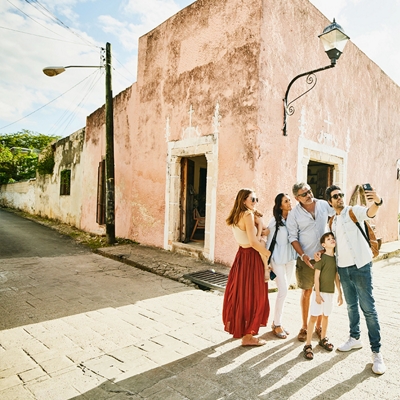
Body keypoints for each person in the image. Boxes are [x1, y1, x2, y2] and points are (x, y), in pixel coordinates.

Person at [324, 184, 386, 374]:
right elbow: (332, 245)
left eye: (341, 194)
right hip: (343, 269)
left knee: (368, 309)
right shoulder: (332, 222)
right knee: (351, 306)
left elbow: (369, 212)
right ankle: (355, 338)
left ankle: (377, 352)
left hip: (361, 266)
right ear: (330, 202)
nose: (340, 198)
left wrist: (377, 202)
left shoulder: (353, 211)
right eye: (336, 196)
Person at [286, 182, 335, 342]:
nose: (309, 195)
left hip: (325, 258)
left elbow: (336, 212)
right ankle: (305, 326)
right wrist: (303, 255)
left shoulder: (322, 204)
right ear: (297, 198)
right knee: (307, 292)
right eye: (304, 194)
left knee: (323, 292)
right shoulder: (294, 214)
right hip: (306, 259)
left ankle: (319, 326)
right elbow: (292, 237)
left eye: (309, 191)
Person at [223, 189, 271, 346]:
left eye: (257, 199)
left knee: (242, 295)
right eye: (252, 199)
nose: (255, 202)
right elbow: (253, 242)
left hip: (241, 256)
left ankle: (243, 329)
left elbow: (255, 236)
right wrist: (267, 253)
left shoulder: (236, 214)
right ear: (244, 200)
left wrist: (259, 225)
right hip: (252, 256)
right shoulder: (247, 215)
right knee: (258, 296)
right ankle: (249, 336)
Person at [303, 232, 343, 360]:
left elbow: (336, 277)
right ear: (323, 245)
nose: (332, 240)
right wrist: (317, 294)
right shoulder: (321, 258)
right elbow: (316, 277)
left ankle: (323, 338)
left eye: (333, 238)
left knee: (326, 316)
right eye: (328, 239)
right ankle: (308, 344)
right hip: (319, 293)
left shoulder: (335, 259)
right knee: (314, 317)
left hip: (330, 293)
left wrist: (340, 293)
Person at [266, 193, 296, 339]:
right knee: (282, 291)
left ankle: (277, 322)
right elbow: (269, 242)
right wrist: (267, 263)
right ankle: (277, 324)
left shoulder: (293, 219)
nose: (289, 203)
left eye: (289, 200)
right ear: (280, 205)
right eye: (286, 201)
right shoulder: (274, 222)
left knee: (285, 291)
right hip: (277, 259)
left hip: (290, 259)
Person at [254, 209, 271, 281]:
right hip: (259, 235)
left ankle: (266, 269)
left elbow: (260, 224)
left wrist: (258, 236)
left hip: (262, 236)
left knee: (262, 251)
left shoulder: (254, 215)